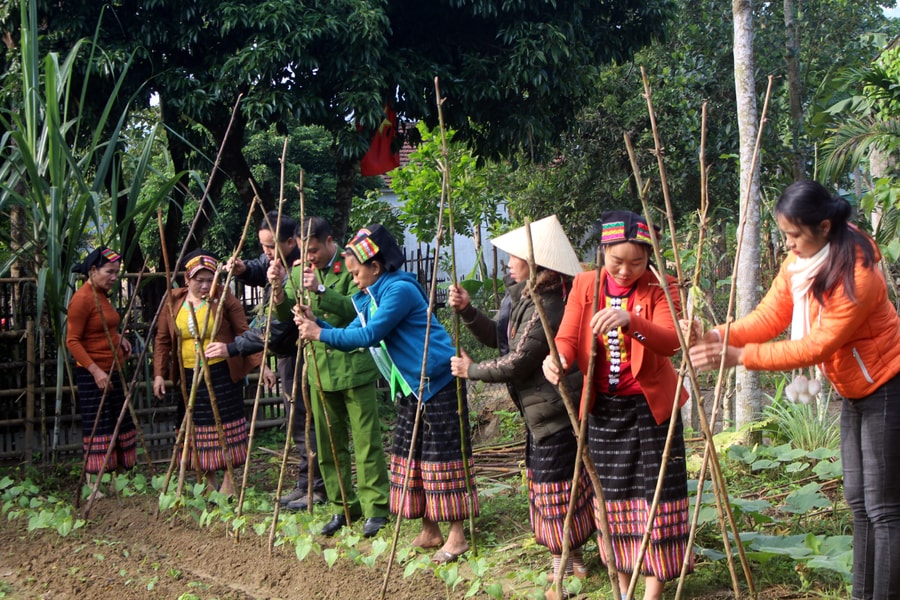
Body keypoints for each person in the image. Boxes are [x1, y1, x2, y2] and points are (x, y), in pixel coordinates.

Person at [686, 180, 900, 600]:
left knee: (884, 509)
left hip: (887, 385)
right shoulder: (801, 263)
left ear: (823, 226)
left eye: (794, 235)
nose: (788, 245)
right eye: (785, 234)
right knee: (859, 503)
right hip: (854, 389)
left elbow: (816, 345)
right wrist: (715, 334)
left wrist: (740, 357)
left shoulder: (859, 271)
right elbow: (769, 316)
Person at [293, 224, 479, 563]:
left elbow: (370, 335)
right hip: (411, 386)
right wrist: (316, 322)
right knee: (411, 458)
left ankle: (457, 535)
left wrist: (319, 334)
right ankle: (430, 528)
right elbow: (349, 332)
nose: (353, 280)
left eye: (356, 273)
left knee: (443, 458)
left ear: (376, 267)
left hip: (436, 380)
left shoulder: (399, 291)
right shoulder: (369, 296)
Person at [542, 211, 693, 600]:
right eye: (617, 262)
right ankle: (623, 588)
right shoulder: (585, 285)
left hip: (651, 410)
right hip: (604, 410)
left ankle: (653, 591)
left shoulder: (662, 287)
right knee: (612, 501)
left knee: (656, 499)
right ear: (603, 253)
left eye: (637, 262)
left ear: (649, 259)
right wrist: (556, 359)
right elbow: (568, 336)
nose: (626, 271)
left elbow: (672, 341)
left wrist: (630, 320)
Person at [448, 215, 595, 583]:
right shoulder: (523, 297)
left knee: (556, 486)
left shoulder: (550, 302)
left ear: (535, 262)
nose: (508, 261)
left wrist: (473, 371)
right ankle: (569, 559)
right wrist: (468, 311)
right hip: (538, 412)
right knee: (552, 485)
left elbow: (518, 360)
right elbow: (501, 341)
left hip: (556, 410)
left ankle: (568, 563)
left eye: (515, 256)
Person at [272, 217, 391, 538]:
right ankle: (343, 506)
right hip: (319, 372)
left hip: (352, 366)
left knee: (366, 443)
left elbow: (361, 309)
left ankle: (376, 508)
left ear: (329, 241)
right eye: (303, 251)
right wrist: (281, 296)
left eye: (314, 250)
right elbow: (286, 317)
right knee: (328, 445)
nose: (309, 257)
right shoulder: (298, 271)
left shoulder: (353, 264)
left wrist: (321, 291)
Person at [209, 210, 326, 511]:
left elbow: (272, 331)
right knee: (296, 420)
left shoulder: (300, 272)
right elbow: (261, 267)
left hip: (302, 353)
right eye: (262, 246)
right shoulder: (278, 260)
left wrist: (232, 348)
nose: (266, 254)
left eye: (271, 246)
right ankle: (305, 483)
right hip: (288, 356)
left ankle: (317, 487)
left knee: (305, 420)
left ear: (290, 242)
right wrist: (244, 268)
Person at [152, 249, 262, 496]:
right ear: (187, 280)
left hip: (221, 372)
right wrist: (159, 373)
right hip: (188, 376)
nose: (205, 285)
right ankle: (207, 480)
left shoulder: (224, 299)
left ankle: (230, 482)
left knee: (226, 426)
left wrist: (261, 364)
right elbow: (162, 340)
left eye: (210, 279)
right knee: (197, 428)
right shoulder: (172, 301)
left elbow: (244, 332)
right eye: (198, 280)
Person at [66, 247, 137, 496]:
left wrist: (119, 340)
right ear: (93, 271)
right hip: (93, 375)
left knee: (116, 421)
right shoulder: (82, 299)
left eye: (117, 272)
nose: (115, 277)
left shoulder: (102, 295)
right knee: (98, 425)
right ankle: (92, 482)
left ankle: (114, 478)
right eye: (110, 272)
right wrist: (95, 371)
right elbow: (72, 341)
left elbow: (104, 328)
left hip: (112, 370)